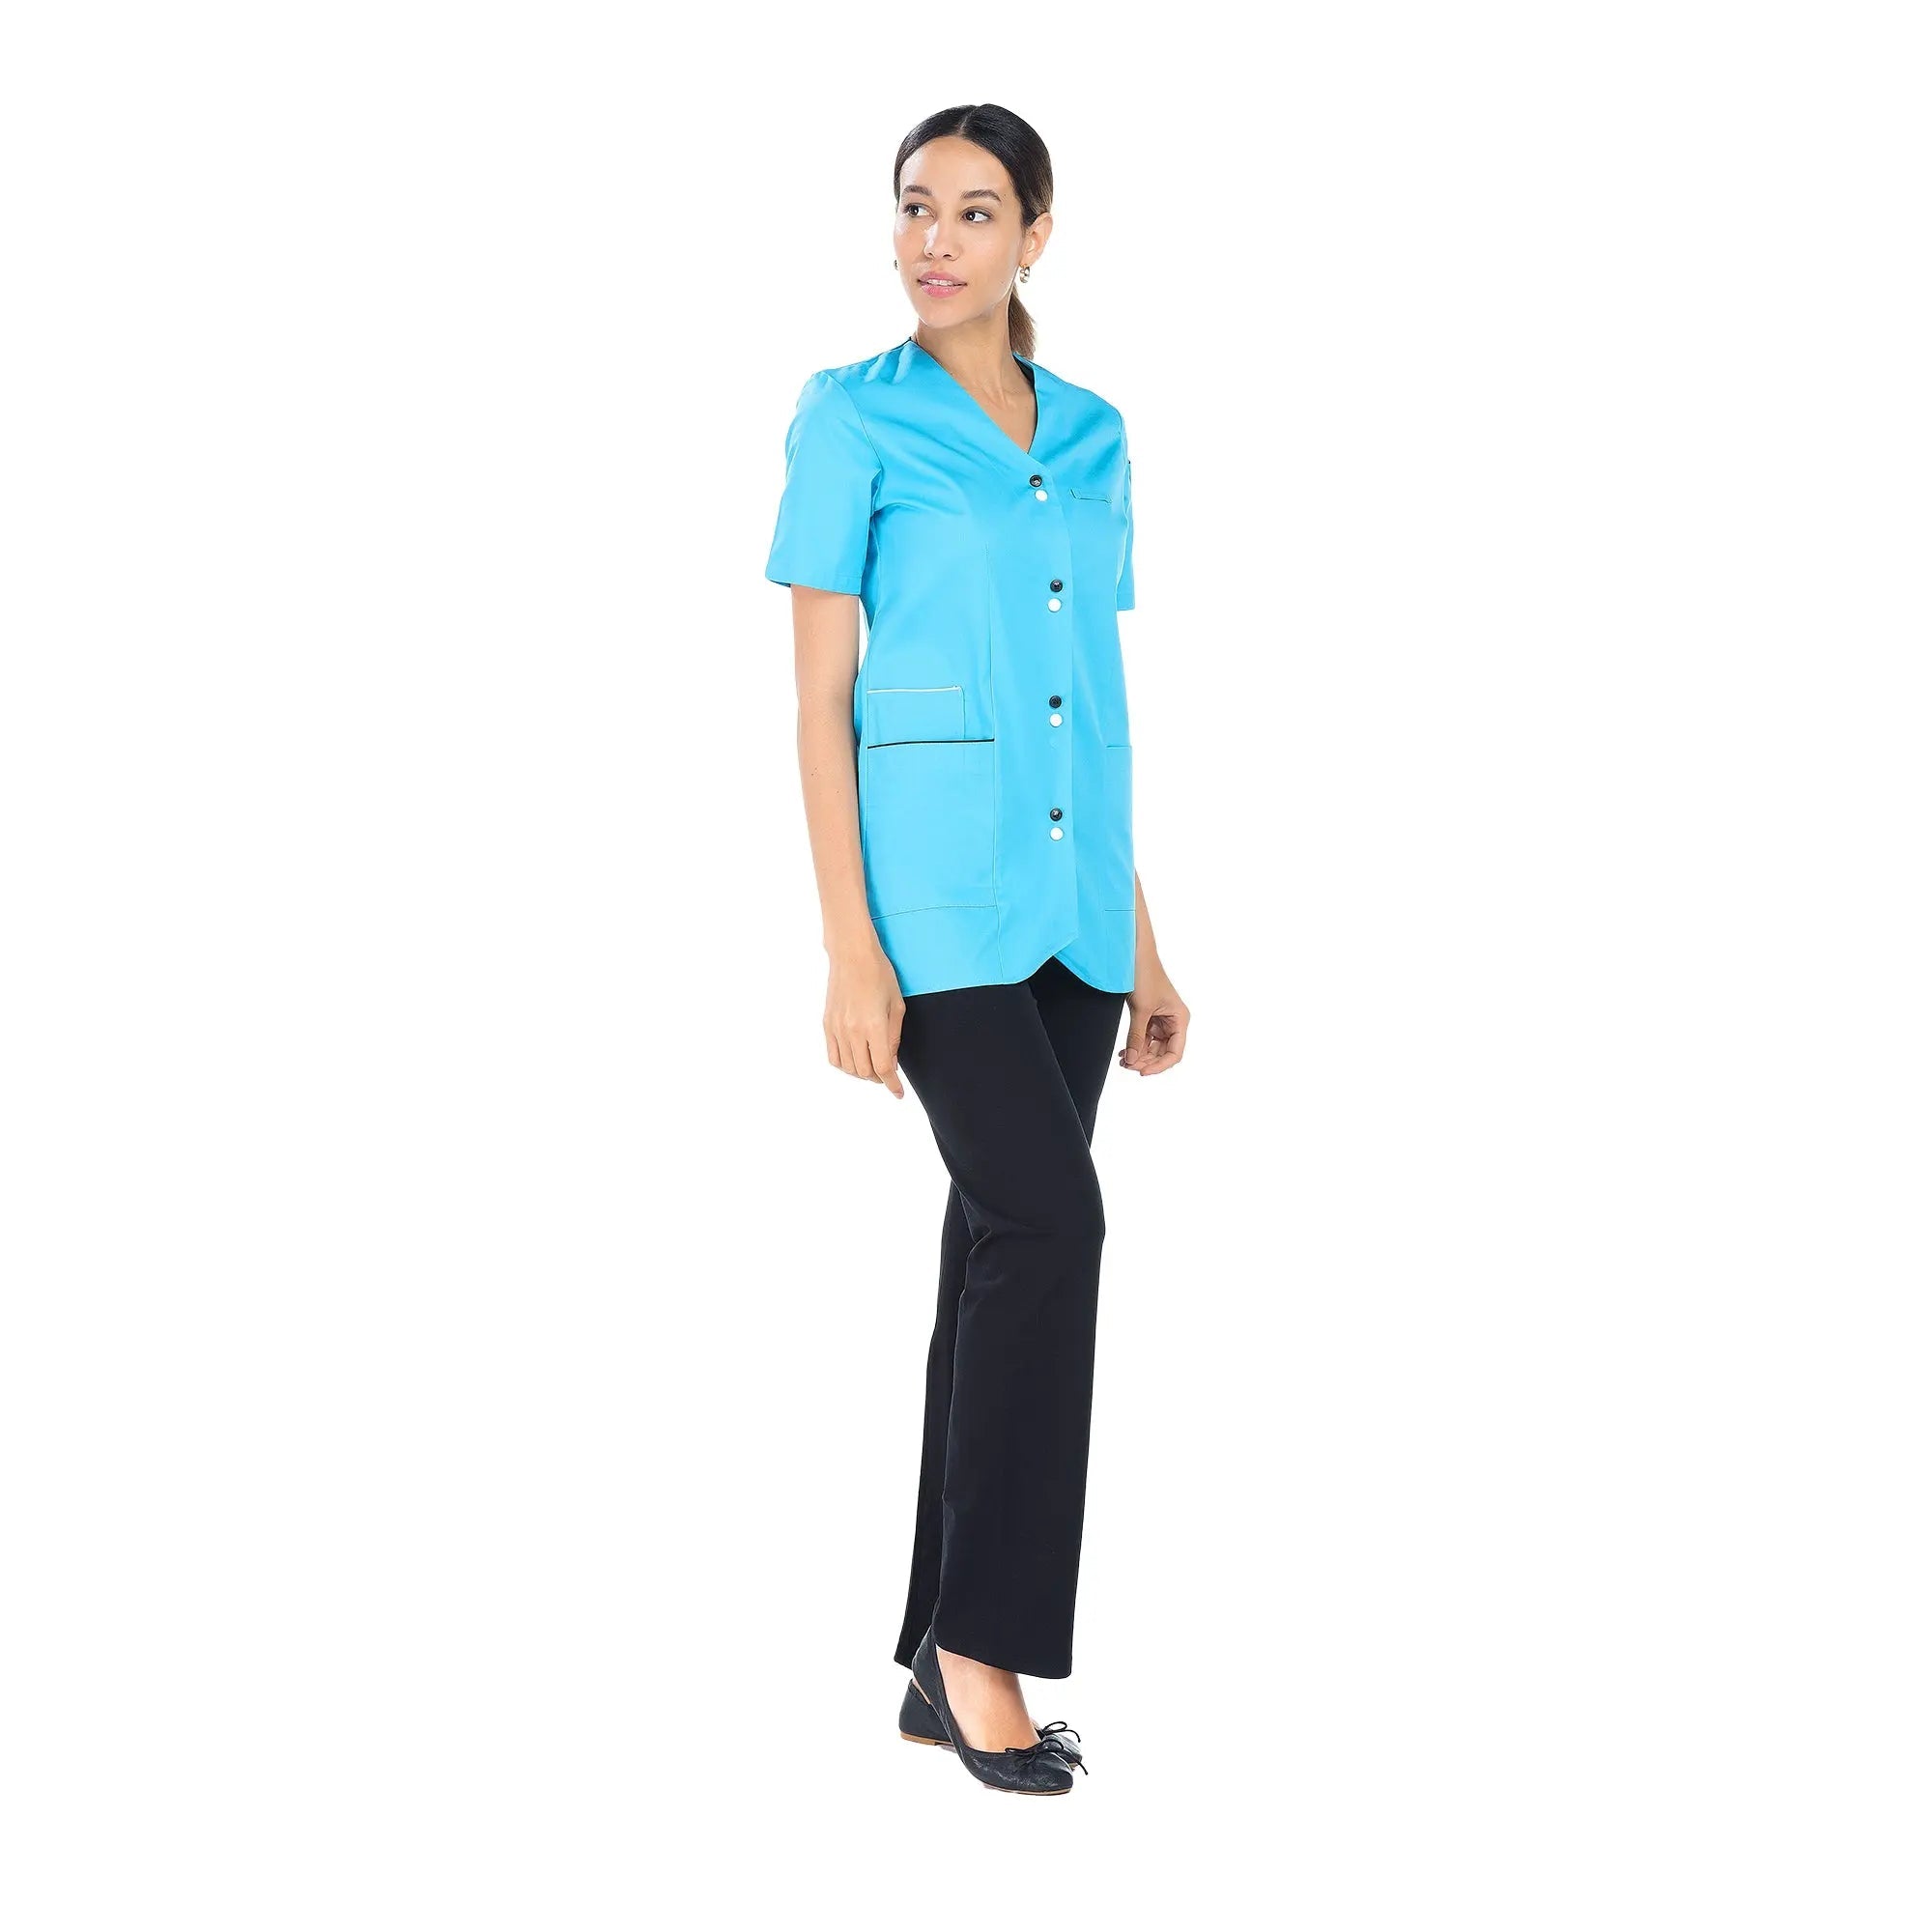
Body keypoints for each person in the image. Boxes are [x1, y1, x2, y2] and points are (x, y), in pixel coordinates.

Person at [763, 103, 1191, 1797]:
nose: (933, 240)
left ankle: (932, 1652)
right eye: (914, 208)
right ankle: (982, 1651)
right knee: (1049, 1224)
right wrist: (846, 947)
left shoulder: (1093, 435)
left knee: (996, 1250)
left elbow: (1091, 702)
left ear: (1036, 238)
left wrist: (1146, 941)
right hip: (932, 905)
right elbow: (819, 698)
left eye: (974, 210)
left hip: (1072, 910)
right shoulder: (849, 417)